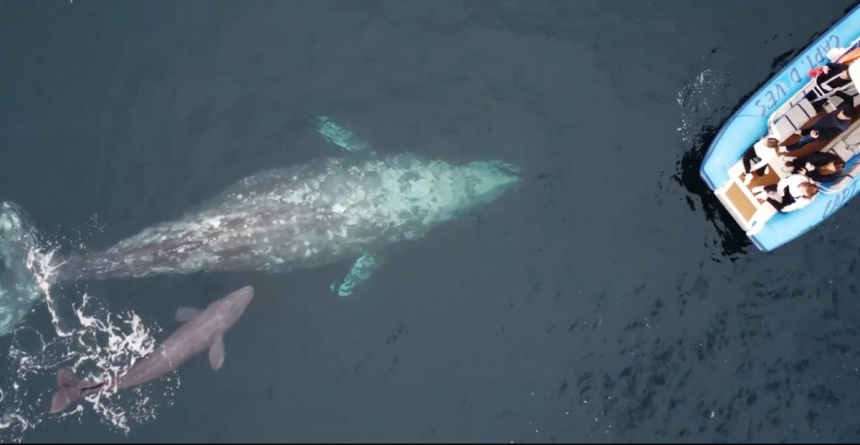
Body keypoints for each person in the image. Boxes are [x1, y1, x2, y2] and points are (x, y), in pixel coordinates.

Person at [783, 100, 856, 153]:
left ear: (848, 118)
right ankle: (802, 132)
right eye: (841, 112)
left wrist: (817, 136)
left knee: (803, 141)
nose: (839, 115)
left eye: (842, 116)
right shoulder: (846, 107)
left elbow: (828, 135)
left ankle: (788, 149)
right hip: (820, 123)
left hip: (818, 133)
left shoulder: (842, 126)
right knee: (809, 129)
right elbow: (847, 98)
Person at [752, 174, 819, 213]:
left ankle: (766, 197)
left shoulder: (807, 200)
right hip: (787, 187)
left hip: (791, 197)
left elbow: (797, 205)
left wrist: (788, 208)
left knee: (783, 210)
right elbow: (785, 181)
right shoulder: (799, 178)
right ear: (805, 184)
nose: (801, 191)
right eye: (802, 189)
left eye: (803, 193)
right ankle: (763, 188)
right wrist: (780, 189)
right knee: (776, 186)